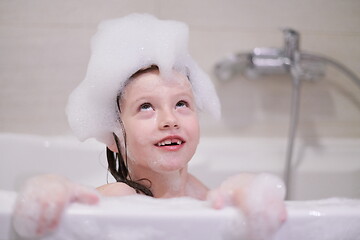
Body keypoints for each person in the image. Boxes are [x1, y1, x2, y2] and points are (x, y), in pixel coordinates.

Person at [13, 13, 286, 239]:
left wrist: (249, 196)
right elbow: (71, 207)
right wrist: (52, 190)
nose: (170, 120)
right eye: (146, 107)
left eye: (181, 104)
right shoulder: (119, 198)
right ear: (113, 135)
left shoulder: (201, 194)